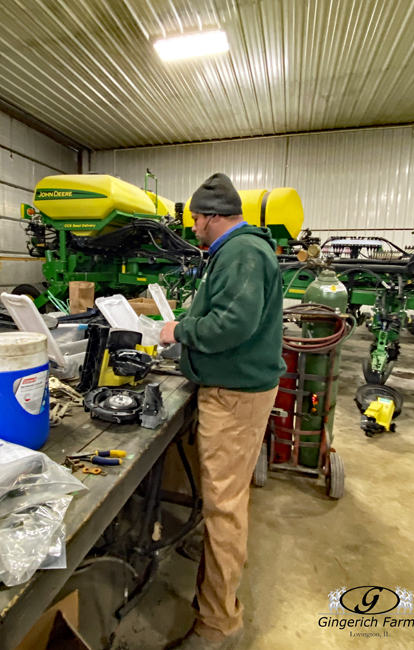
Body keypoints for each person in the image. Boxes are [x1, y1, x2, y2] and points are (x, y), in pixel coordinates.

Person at [160, 173, 286, 650]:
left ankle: (218, 625)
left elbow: (232, 324)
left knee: (225, 507)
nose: (193, 228)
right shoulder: (237, 253)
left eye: (195, 219)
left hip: (235, 397)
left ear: (213, 217)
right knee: (224, 501)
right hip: (235, 391)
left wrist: (179, 332)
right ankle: (217, 565)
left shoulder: (242, 253)